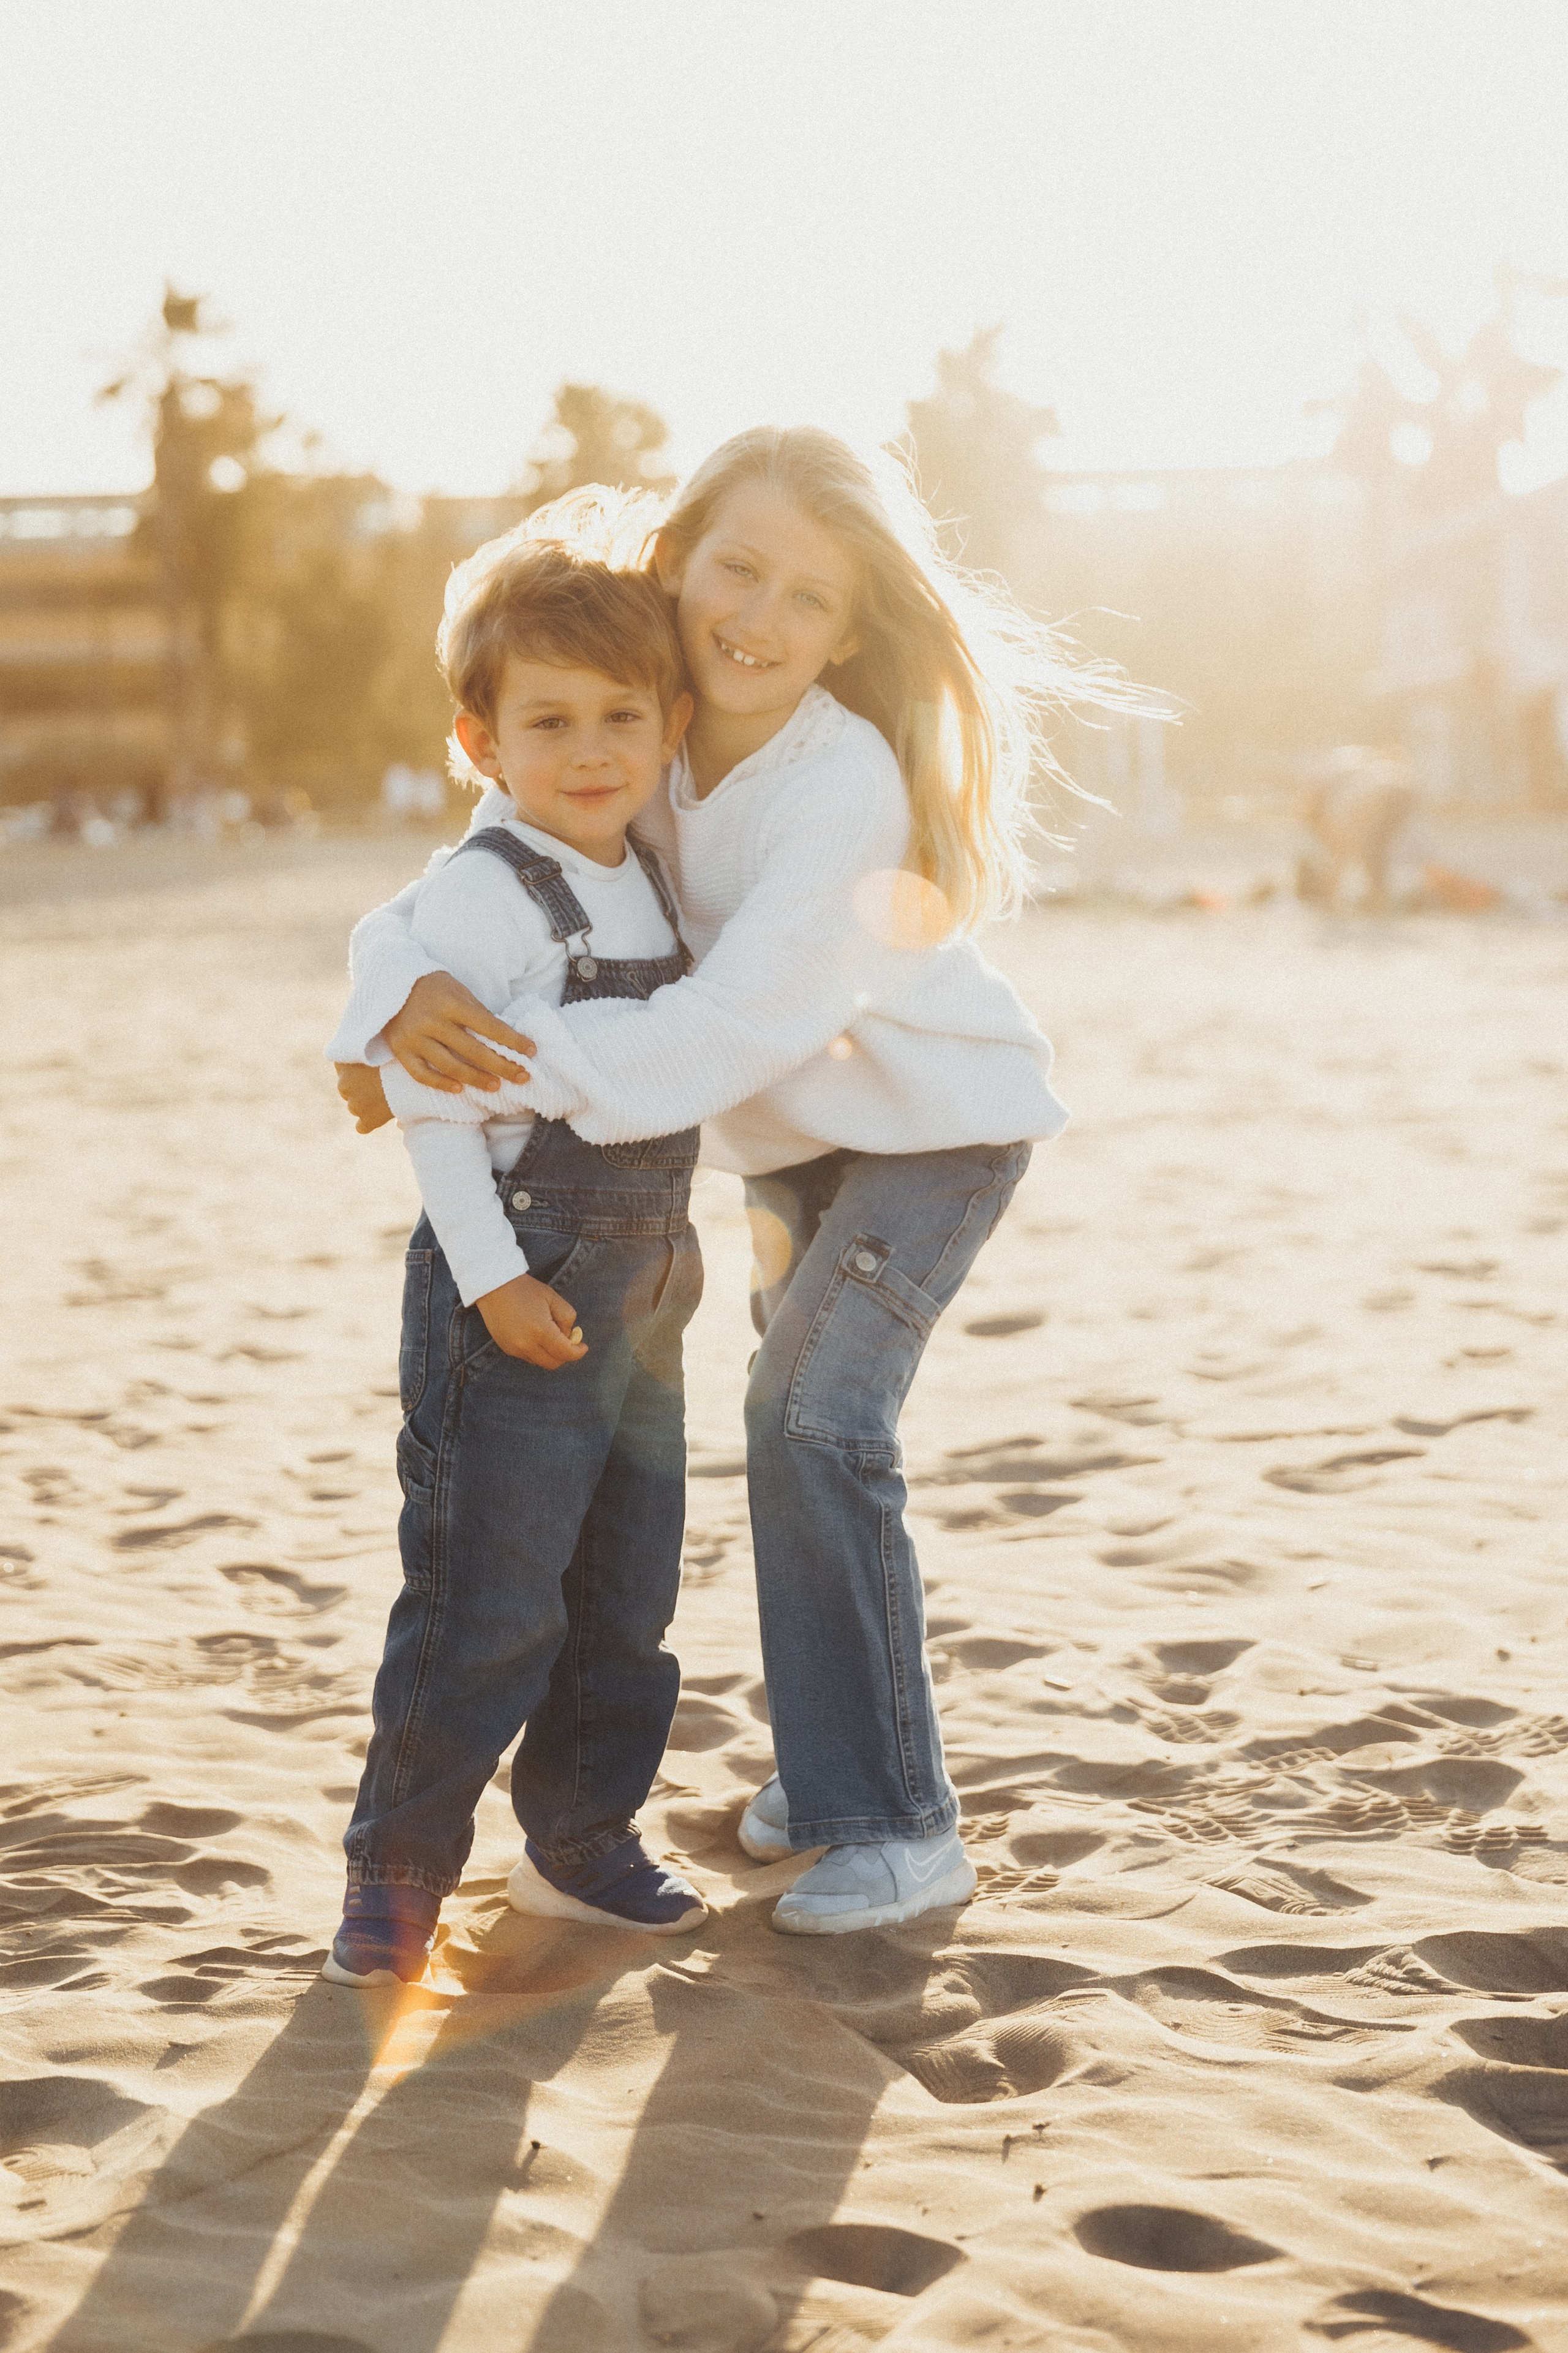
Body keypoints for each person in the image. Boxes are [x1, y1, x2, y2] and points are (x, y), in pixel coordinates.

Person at [333, 428, 1138, 1938]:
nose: (760, 617)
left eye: (809, 600)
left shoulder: (840, 790)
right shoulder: (646, 726)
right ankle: (829, 1764)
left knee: (811, 1417)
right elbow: (478, 866)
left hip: (935, 1134)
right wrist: (386, 992)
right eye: (738, 568)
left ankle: (895, 1820)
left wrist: (453, 1064)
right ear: (679, 557)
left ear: (849, 632)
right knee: (789, 1438)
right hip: (793, 1153)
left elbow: (710, 1037)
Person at [322, 513, 707, 1987]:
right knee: (486, 1596)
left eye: (623, 716)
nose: (592, 749)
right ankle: (401, 1867)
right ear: (480, 740)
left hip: (651, 1291)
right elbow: (430, 1110)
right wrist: (491, 1282)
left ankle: (581, 1839)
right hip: (514, 1284)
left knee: (625, 1590)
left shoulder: (647, 858)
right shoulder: (489, 889)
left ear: (671, 723)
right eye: (549, 722)